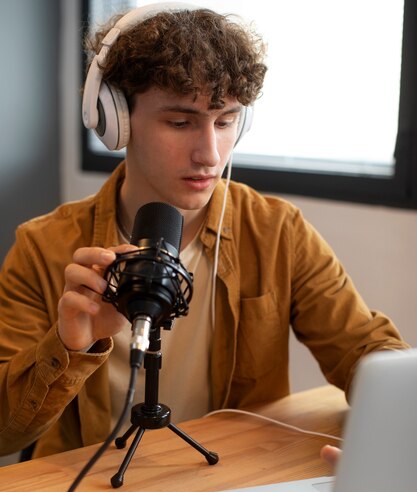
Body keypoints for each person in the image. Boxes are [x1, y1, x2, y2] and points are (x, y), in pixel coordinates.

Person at [0, 3, 408, 462]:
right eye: (180, 122)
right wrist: (69, 347)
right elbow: (4, 433)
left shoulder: (278, 231)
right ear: (115, 119)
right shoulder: (42, 247)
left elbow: (366, 351)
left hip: (224, 482)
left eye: (226, 120)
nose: (210, 155)